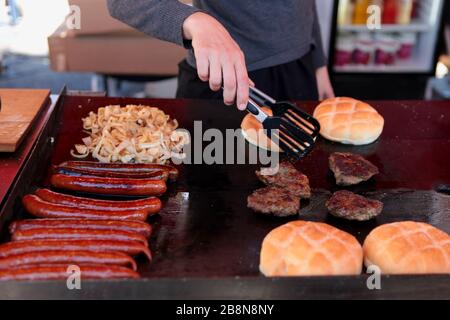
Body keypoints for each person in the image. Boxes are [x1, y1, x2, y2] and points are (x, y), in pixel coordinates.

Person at [107, 0, 335, 110]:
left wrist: (318, 64)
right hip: (225, 81)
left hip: (301, 70)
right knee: (213, 197)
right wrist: (194, 21)